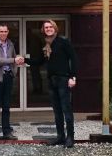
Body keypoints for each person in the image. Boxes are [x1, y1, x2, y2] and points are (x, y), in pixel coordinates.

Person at [26, 20, 78, 148]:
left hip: (63, 79)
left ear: (55, 28)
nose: (48, 29)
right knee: (57, 111)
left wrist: (73, 77)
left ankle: (70, 137)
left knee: (66, 109)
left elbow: (73, 58)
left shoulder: (63, 41)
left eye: (50, 27)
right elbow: (40, 61)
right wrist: (25, 60)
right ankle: (60, 136)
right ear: (43, 30)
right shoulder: (46, 44)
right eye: (46, 27)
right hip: (51, 81)